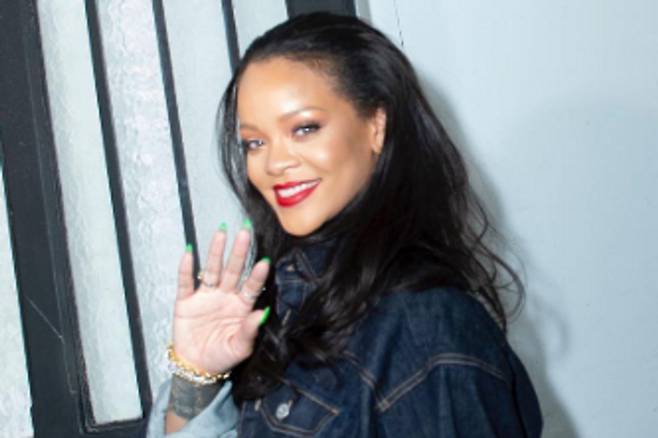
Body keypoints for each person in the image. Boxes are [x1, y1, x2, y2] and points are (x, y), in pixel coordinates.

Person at [147, 12, 542, 437]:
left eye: (304, 129)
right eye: (255, 142)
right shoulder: (289, 301)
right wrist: (196, 376)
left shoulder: (425, 328)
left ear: (376, 126)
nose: (274, 163)